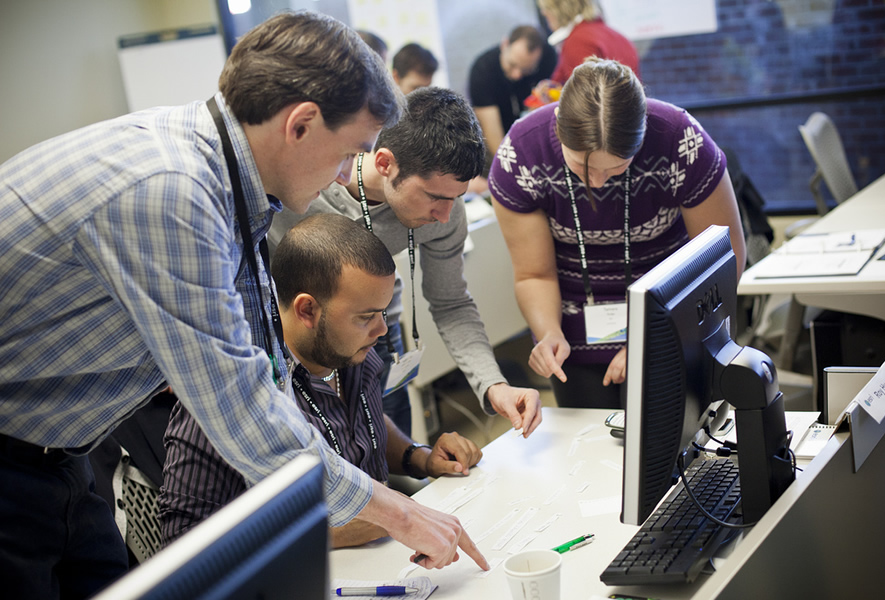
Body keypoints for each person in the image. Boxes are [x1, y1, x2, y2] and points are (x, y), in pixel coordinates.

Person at [0, 11, 487, 599]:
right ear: (302, 124)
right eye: (349, 151)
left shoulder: (235, 188)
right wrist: (400, 514)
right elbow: (242, 411)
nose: (345, 173)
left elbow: (269, 373)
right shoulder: (173, 192)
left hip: (62, 454)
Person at [161, 213, 484, 548]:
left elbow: (360, 427)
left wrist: (420, 457)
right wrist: (330, 534)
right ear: (307, 311)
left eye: (382, 313)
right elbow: (183, 542)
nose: (381, 330)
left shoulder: (348, 348)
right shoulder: (233, 392)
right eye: (366, 317)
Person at [269, 86, 543, 439]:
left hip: (377, 341)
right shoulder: (302, 194)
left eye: (455, 198)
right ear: (384, 163)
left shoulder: (447, 211)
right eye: (434, 197)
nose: (445, 216)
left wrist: (494, 385)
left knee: (390, 457)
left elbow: (451, 302)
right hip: (296, 352)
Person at [489, 58, 746, 409]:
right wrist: (549, 331)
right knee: (589, 449)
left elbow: (722, 260)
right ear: (559, 131)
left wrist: (655, 340)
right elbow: (534, 273)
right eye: (580, 166)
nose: (596, 181)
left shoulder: (678, 139)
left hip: (671, 320)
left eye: (616, 168)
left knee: (676, 445)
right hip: (574, 330)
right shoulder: (522, 153)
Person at [468, 25, 558, 159]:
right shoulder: (482, 72)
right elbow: (495, 141)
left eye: (527, 70)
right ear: (504, 44)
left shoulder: (548, 58)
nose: (517, 75)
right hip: (502, 138)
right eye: (512, 65)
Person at [538, 0, 640, 84]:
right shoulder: (616, 35)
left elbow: (586, 99)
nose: (543, 12)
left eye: (547, 8)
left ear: (559, 9)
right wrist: (552, 86)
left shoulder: (578, 41)